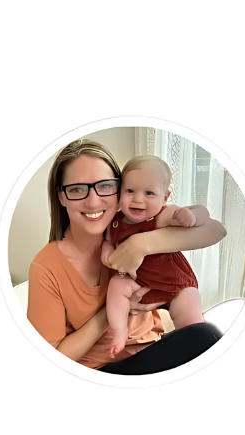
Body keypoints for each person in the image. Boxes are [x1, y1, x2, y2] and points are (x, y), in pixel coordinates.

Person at [27, 139, 227, 372]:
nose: (93, 201)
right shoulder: (46, 266)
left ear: (118, 190)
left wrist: (141, 244)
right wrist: (112, 313)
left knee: (223, 321)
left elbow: (216, 230)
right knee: (207, 336)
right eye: (77, 189)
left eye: (105, 186)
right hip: (105, 370)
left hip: (156, 348)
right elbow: (51, 357)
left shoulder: (131, 226)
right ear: (61, 196)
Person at [102, 155, 213, 357]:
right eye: (130, 191)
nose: (138, 199)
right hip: (141, 284)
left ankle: (196, 351)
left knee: (193, 330)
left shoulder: (162, 215)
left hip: (176, 285)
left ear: (165, 197)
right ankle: (119, 330)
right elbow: (108, 241)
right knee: (116, 286)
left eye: (149, 193)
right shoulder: (115, 222)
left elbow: (203, 214)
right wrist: (107, 251)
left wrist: (192, 215)